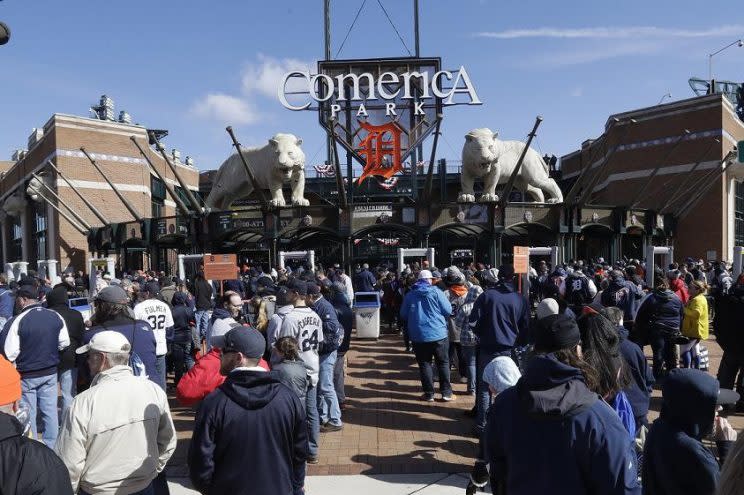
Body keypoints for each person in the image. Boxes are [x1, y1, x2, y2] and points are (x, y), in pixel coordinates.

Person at [484, 314, 641, 494]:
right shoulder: (601, 420)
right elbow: (622, 488)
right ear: (578, 351)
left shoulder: (503, 404)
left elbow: (498, 471)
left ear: (534, 349)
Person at [189, 326, 308, 495]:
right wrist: (295, 488)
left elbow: (200, 462)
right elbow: (300, 454)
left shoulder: (214, 403)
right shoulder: (288, 398)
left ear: (239, 357)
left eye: (223, 351)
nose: (219, 354)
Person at [56, 331, 176, 495]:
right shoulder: (153, 390)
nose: (88, 361)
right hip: (144, 486)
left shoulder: (84, 402)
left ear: (101, 358)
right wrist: (152, 470)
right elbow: (168, 441)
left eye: (90, 356)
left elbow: (69, 461)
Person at [642, 368, 738, 495]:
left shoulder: (658, 428)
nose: (719, 411)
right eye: (713, 406)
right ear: (696, 411)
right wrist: (727, 448)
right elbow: (726, 490)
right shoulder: (696, 454)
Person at [0, 285, 69, 448]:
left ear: (23, 299)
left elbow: (10, 353)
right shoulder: (54, 315)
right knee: (50, 411)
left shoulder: (17, 320)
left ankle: (32, 446)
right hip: (50, 372)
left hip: (27, 374)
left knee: (29, 412)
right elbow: (64, 342)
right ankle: (52, 446)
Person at [0, 355, 73, 495]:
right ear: (16, 404)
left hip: (31, 370)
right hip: (47, 369)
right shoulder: (37, 461)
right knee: (49, 409)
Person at [469, 265, 530, 432]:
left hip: (488, 347)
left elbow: (473, 322)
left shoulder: (487, 296)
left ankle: (482, 425)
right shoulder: (520, 299)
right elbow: (526, 327)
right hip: (511, 350)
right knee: (510, 387)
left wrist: (483, 333)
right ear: (513, 277)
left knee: (484, 388)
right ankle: (506, 425)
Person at [274, 279, 323, 464]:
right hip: (313, 365)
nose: (286, 294)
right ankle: (312, 450)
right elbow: (320, 342)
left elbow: (284, 346)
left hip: (295, 369)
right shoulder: (316, 315)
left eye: (288, 292)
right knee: (311, 412)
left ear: (295, 294)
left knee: (295, 412)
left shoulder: (290, 317)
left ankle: (297, 449)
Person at [81, 285, 158, 388]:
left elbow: (86, 374)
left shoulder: (93, 335)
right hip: (150, 389)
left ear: (101, 306)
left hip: (113, 394)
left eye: (96, 304)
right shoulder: (145, 327)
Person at [400, 269, 454, 402]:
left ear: (418, 281)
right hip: (439, 333)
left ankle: (429, 394)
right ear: (429, 280)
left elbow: (403, 314)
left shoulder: (410, 295)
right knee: (443, 363)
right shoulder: (437, 292)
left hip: (419, 335)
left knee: (425, 364)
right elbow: (448, 310)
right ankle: (446, 393)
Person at [602, 306, 655, 430]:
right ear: (620, 321)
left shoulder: (598, 349)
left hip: (609, 412)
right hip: (637, 409)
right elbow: (648, 378)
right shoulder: (633, 348)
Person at [308, 282, 344, 432]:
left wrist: (320, 345)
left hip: (327, 352)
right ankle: (324, 417)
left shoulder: (323, 306)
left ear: (310, 296)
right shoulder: (320, 305)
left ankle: (335, 419)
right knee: (321, 386)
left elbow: (332, 329)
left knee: (325, 385)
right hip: (324, 351)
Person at [46, 285, 85, 421]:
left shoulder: (46, 315)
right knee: (68, 394)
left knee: (49, 397)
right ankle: (67, 423)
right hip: (70, 358)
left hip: (49, 359)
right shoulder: (76, 314)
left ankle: (51, 424)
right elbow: (81, 337)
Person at [634, 276, 684, 379]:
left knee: (658, 353)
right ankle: (672, 375)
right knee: (671, 353)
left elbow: (641, 314)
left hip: (657, 330)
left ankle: (657, 376)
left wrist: (641, 328)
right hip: (673, 330)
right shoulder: (676, 297)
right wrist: (679, 328)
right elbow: (682, 314)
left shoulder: (652, 297)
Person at [134, 282, 175, 390]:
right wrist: (168, 344)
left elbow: (135, 329)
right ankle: (161, 403)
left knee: (145, 377)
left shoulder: (139, 307)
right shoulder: (165, 306)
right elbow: (170, 329)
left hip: (145, 348)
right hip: (161, 346)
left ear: (147, 293)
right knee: (160, 378)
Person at [455, 275, 484, 396]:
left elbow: (458, 323)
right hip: (481, 338)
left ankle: (471, 389)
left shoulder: (465, 307)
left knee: (471, 363)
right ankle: (481, 386)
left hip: (467, 338)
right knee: (480, 363)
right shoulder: (484, 307)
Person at [331, 282, 353, 409]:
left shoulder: (334, 308)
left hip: (337, 346)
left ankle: (339, 399)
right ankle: (339, 398)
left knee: (336, 373)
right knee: (338, 372)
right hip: (344, 344)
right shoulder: (346, 306)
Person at [273, 336, 311, 405]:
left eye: (277, 350)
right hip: (301, 404)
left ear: (282, 353)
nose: (275, 352)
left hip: (286, 404)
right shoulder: (302, 366)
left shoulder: (277, 369)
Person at [680, 279, 709, 369]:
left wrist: (683, 309)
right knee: (695, 350)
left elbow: (696, 314)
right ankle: (697, 369)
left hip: (693, 329)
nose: (687, 288)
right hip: (695, 329)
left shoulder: (698, 300)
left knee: (684, 351)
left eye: (690, 287)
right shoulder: (696, 298)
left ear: (697, 290)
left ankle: (687, 369)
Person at [170, 291, 196, 385]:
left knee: (178, 362)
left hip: (175, 338)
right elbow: (193, 323)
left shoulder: (171, 311)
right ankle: (194, 379)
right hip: (187, 337)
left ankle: (179, 381)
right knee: (188, 358)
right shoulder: (189, 310)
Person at [192, 272, 213, 344]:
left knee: (197, 322)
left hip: (199, 305)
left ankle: (197, 338)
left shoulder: (197, 284)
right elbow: (210, 294)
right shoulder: (208, 285)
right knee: (205, 321)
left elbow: (195, 294)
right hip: (207, 305)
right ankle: (205, 336)